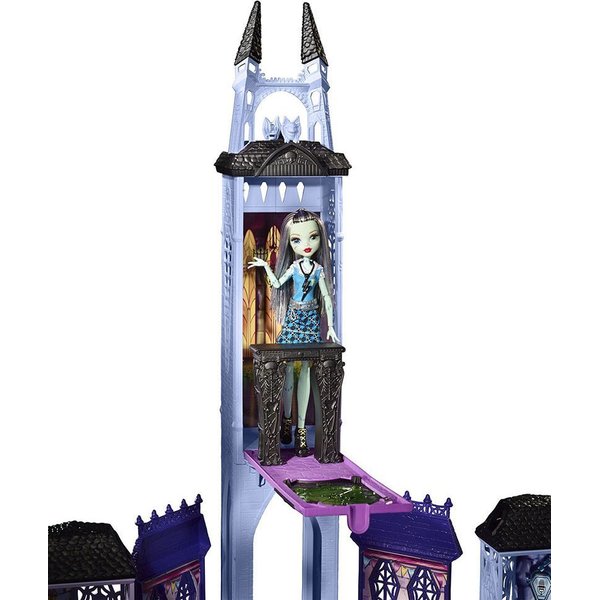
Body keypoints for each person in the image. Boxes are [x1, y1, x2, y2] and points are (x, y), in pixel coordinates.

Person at [248, 209, 340, 456]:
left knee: (306, 371)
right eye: (297, 239)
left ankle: (301, 430)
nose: (306, 244)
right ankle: (286, 418)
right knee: (287, 368)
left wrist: (331, 326)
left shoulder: (318, 270)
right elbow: (278, 284)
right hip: (293, 319)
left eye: (313, 237)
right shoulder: (294, 267)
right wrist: (266, 267)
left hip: (310, 321)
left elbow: (327, 298)